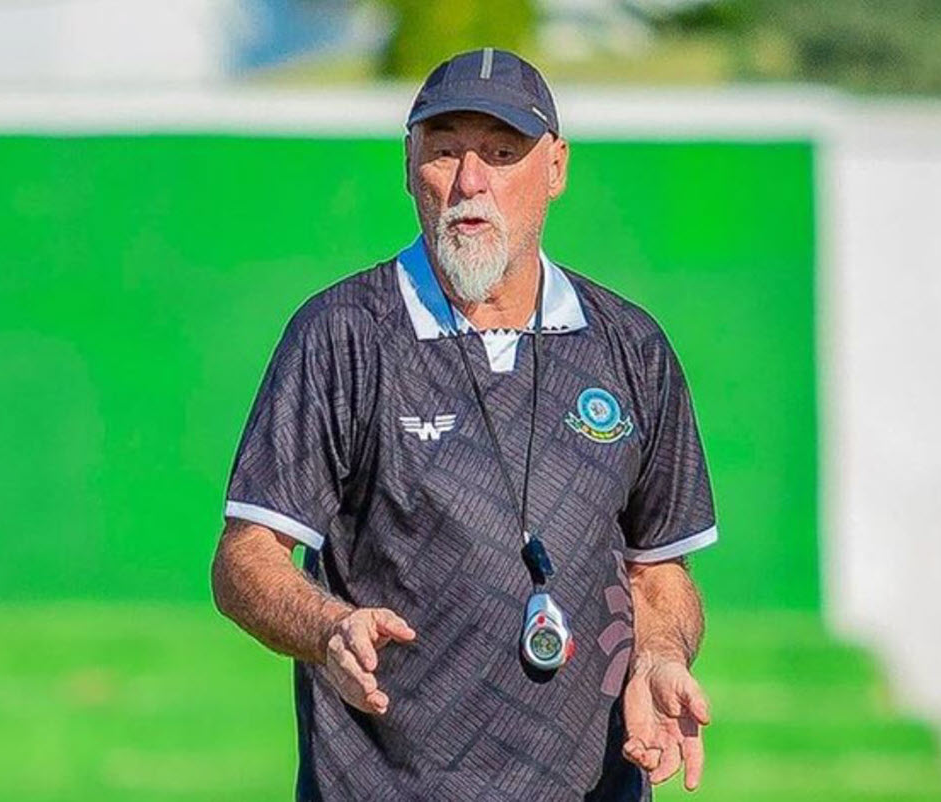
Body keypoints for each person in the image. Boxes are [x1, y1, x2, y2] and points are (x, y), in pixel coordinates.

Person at [211, 48, 718, 801]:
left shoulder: (630, 348)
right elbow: (244, 559)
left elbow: (658, 571)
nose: (469, 182)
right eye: (444, 151)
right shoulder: (343, 335)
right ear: (409, 164)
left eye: (502, 154)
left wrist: (661, 656)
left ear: (556, 168)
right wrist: (328, 628)